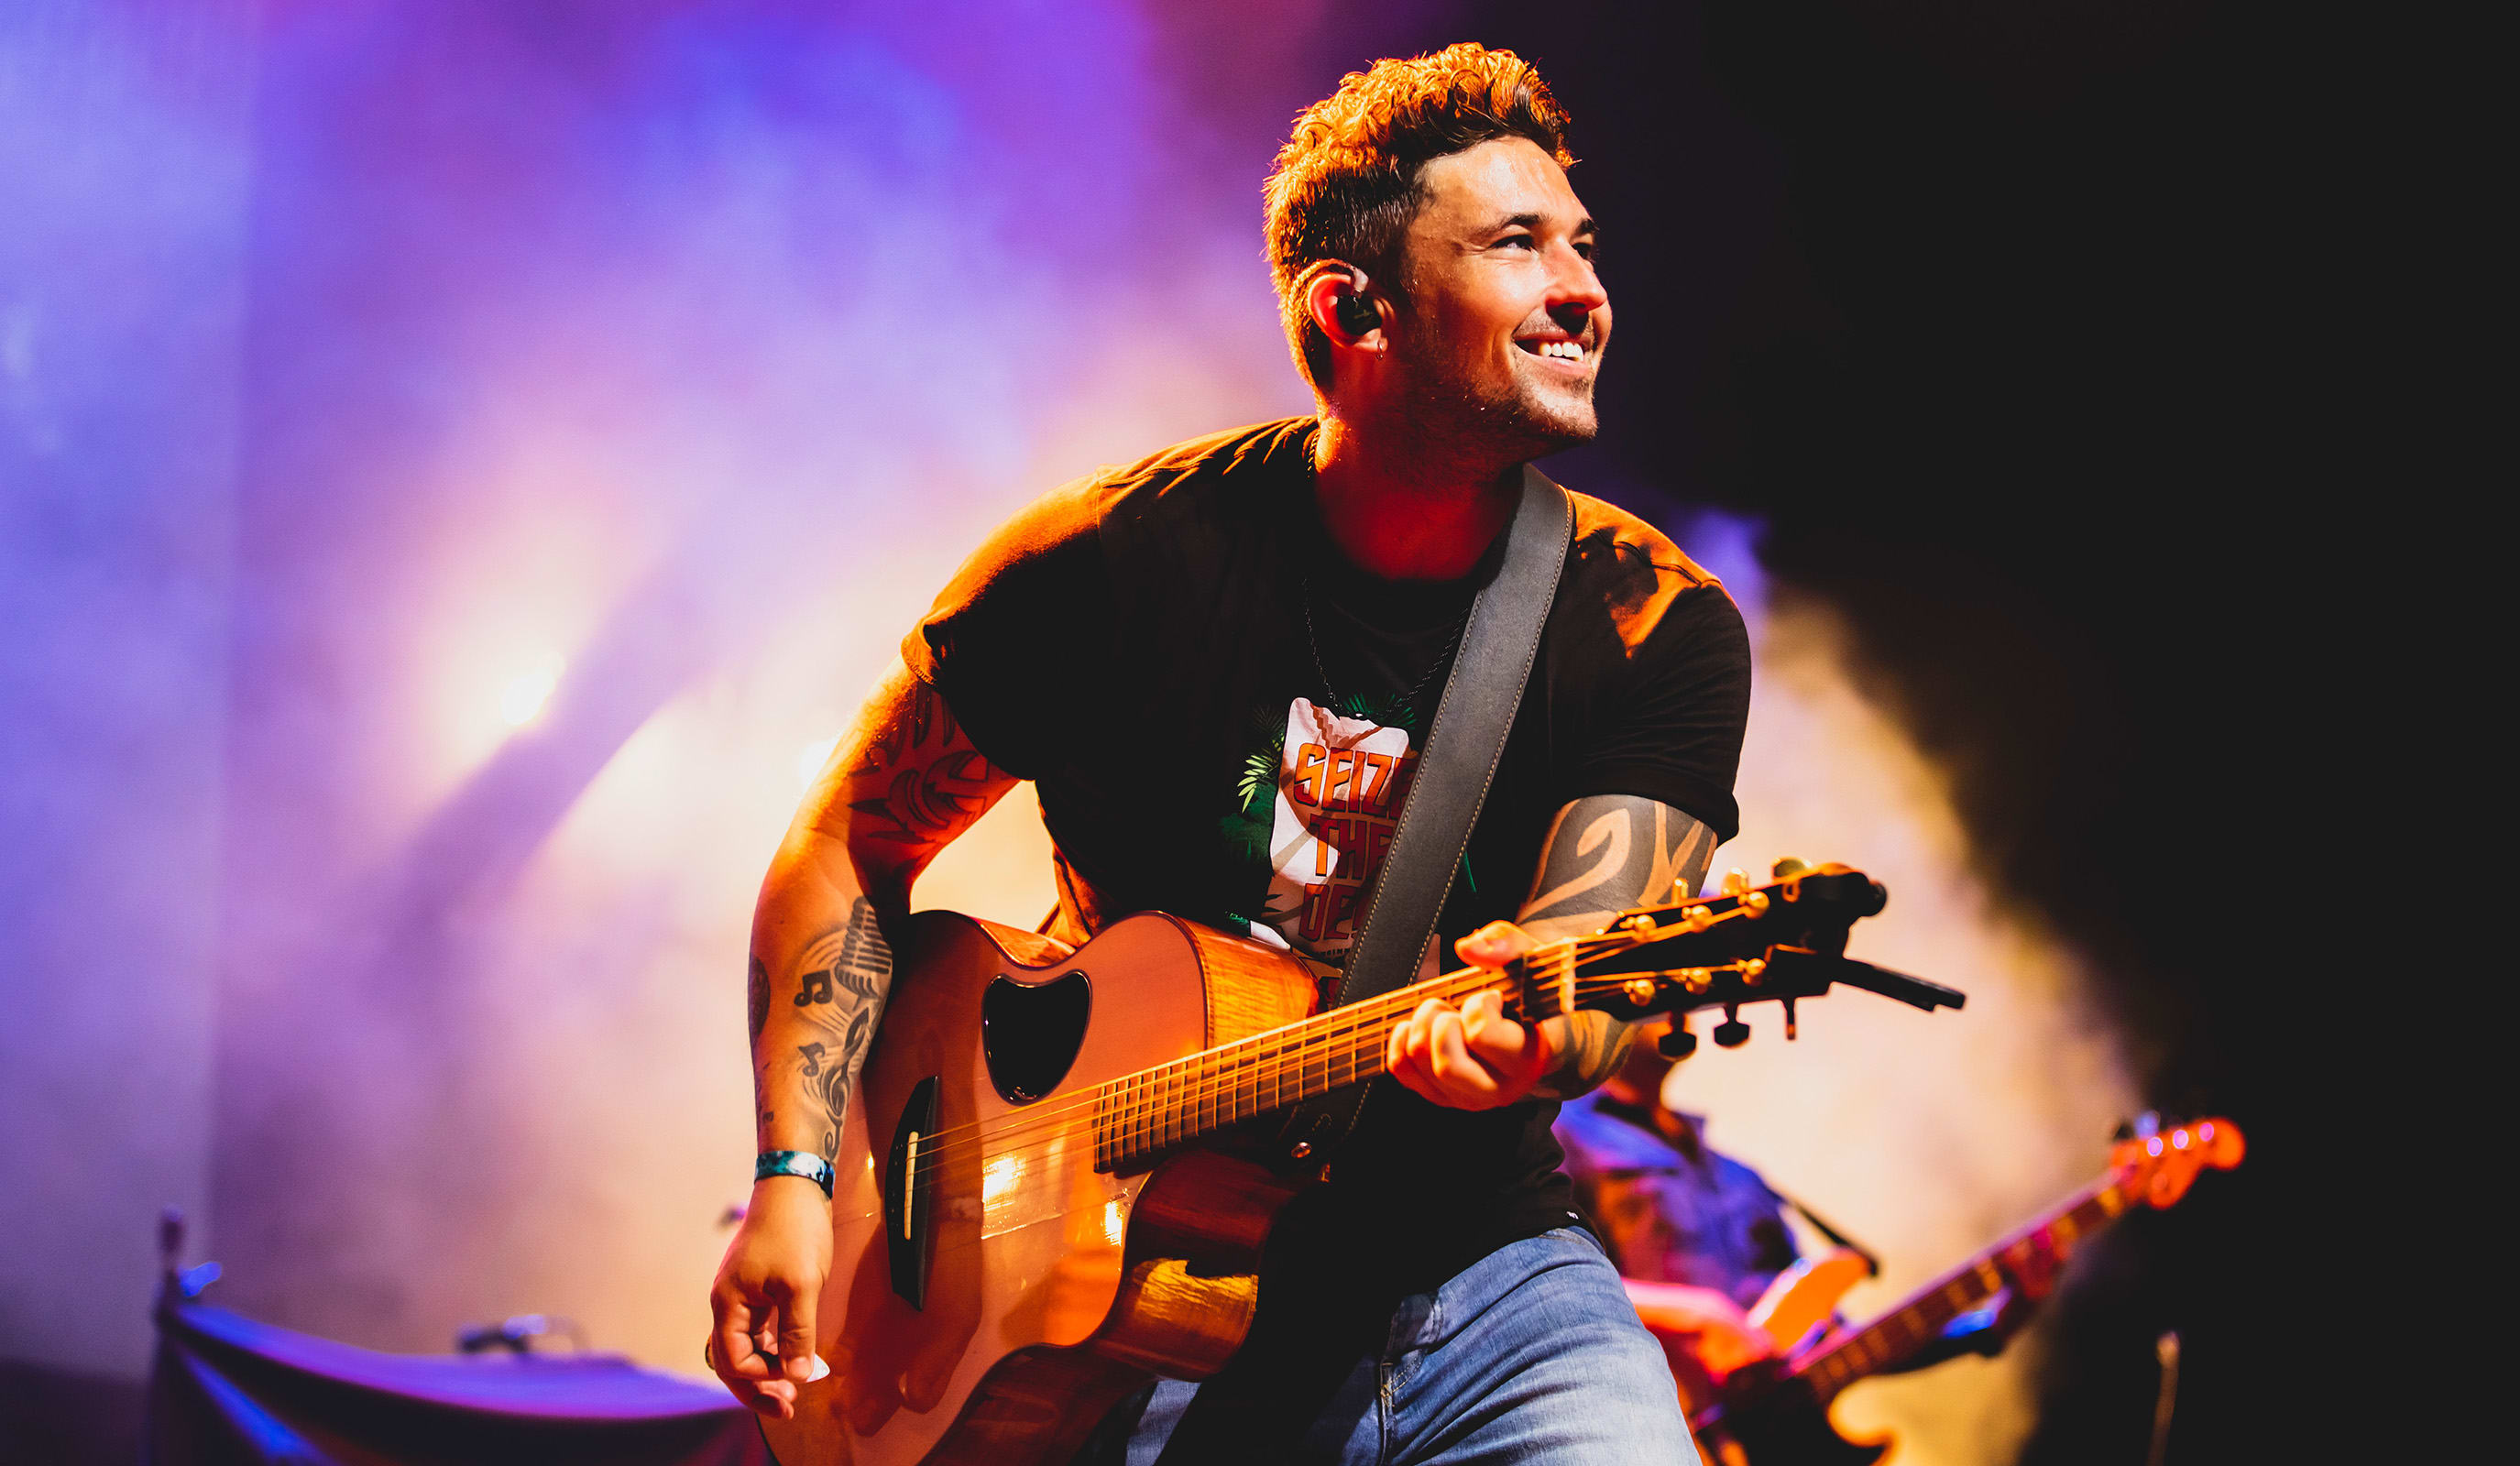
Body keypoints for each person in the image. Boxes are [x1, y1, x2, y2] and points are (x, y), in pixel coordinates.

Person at [708, 44, 1754, 1465]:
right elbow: (847, 842)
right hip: (1116, 1296)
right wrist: (795, 1175)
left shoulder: (1646, 626)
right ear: (1353, 313)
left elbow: (1595, 968)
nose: (1585, 292)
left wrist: (1529, 1038)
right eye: (1520, 247)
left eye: (1580, 244)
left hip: (1486, 1276)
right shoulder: (1111, 564)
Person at [1558, 1017, 2022, 1421]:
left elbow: (1827, 1339)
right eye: (1659, 987)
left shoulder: (1737, 1175)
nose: (1681, 1006)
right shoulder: (1562, 1138)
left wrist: (1989, 1324)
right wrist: (1695, 1317)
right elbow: (1543, 1281)